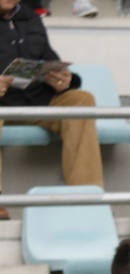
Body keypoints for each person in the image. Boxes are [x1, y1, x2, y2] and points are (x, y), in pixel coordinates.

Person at [0, 0, 102, 220]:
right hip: (3, 106)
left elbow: (50, 60)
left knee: (81, 100)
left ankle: (86, 198)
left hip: (37, 100)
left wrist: (64, 80)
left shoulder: (31, 18)